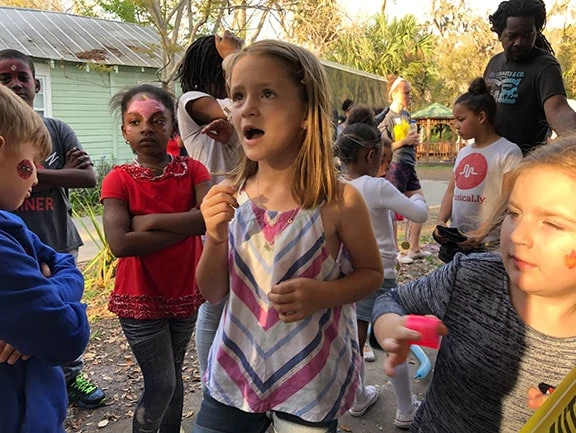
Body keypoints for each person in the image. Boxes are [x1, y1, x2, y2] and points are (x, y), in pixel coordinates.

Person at [192, 40, 384, 433]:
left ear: (305, 111)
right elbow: (212, 293)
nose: (247, 107)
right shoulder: (229, 195)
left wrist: (324, 294)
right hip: (234, 374)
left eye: (267, 93)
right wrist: (213, 238)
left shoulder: (339, 200)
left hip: (310, 381)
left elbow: (371, 273)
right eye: (238, 96)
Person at [372, 135, 576, 432]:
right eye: (514, 214)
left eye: (553, 224)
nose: (519, 236)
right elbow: (392, 300)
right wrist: (387, 325)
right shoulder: (470, 277)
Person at [101, 84, 211, 432]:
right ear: (124, 132)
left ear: (172, 129)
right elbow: (120, 243)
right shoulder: (118, 179)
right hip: (140, 297)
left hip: (184, 293)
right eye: (135, 122)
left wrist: (149, 222)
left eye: (156, 120)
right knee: (161, 383)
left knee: (174, 379)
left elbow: (209, 217)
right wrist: (188, 224)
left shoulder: (194, 171)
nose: (146, 128)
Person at [0, 48, 105, 409]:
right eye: (27, 167)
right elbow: (65, 331)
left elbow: (87, 177)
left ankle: (70, 377)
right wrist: (55, 177)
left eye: (22, 77)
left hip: (56, 238)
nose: (15, 83)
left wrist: (30, 172)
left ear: (36, 83)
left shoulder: (56, 129)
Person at [335, 105, 428, 428]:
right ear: (372, 155)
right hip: (381, 278)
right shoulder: (378, 186)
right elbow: (419, 215)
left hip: (349, 276)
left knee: (354, 340)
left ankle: (358, 397)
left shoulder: (337, 187)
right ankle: (405, 409)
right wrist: (417, 198)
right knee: (394, 341)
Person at [176, 31, 244, 384]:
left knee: (242, 294)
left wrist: (235, 130)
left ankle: (234, 370)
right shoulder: (192, 99)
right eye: (228, 64)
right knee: (213, 303)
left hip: (246, 202)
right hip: (216, 209)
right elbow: (240, 110)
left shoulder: (227, 104)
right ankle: (209, 379)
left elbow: (244, 118)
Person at [435, 77, 523, 261]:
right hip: (458, 240)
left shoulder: (508, 152)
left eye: (461, 119)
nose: (456, 125)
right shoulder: (463, 153)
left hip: (489, 244)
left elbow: (508, 200)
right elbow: (452, 190)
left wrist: (481, 232)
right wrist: (441, 221)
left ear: (481, 117)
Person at [484, 0, 576, 155]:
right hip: (490, 158)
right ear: (500, 35)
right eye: (512, 36)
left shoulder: (545, 65)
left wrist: (573, 137)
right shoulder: (494, 62)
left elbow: (558, 109)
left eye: (528, 35)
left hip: (523, 162)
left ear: (536, 32)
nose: (520, 42)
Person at [378, 75, 430, 264]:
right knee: (391, 208)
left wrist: (414, 141)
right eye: (405, 92)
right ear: (394, 94)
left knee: (420, 203)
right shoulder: (387, 119)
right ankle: (394, 253)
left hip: (409, 165)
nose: (409, 96)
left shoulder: (407, 116)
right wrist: (405, 141)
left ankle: (414, 248)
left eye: (409, 92)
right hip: (396, 165)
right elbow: (383, 148)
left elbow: (410, 140)